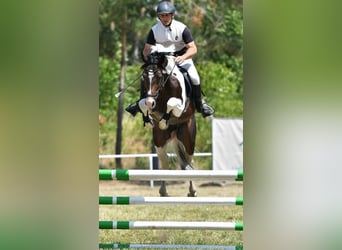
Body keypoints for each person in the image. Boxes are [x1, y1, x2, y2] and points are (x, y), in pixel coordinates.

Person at [126, 1, 214, 125]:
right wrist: (147, 60)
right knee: (147, 76)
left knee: (195, 77)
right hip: (162, 59)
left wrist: (183, 57)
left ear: (172, 15)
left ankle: (200, 105)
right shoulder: (154, 30)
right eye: (162, 16)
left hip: (181, 57)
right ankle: (140, 103)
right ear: (159, 17)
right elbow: (147, 49)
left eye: (167, 15)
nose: (165, 18)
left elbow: (193, 48)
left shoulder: (181, 28)